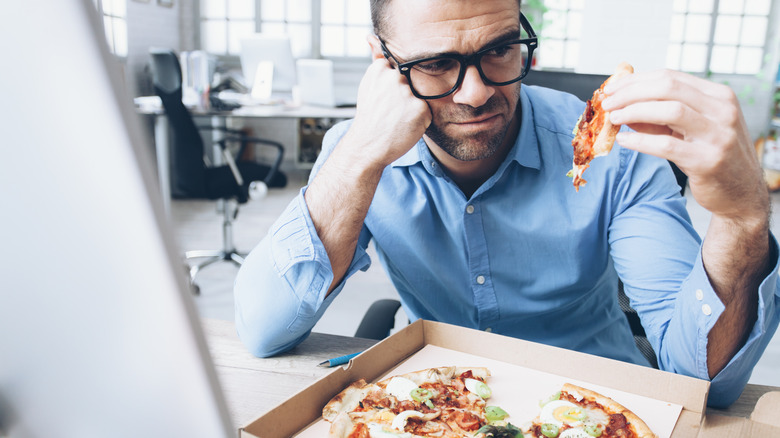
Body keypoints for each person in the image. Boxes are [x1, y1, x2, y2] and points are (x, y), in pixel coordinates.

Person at [234, 0, 780, 407]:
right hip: (438, 402)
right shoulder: (356, 153)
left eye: (498, 50)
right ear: (382, 62)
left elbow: (702, 384)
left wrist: (742, 218)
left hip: (597, 402)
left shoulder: (614, 152)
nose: (474, 94)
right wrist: (358, 158)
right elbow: (263, 330)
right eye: (434, 64)